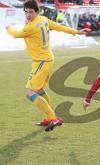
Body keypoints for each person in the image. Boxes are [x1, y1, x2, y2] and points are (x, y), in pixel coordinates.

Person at [6, 0, 91, 132]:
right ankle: (48, 117)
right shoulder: (43, 19)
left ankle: (53, 117)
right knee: (39, 90)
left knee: (29, 93)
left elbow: (16, 34)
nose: (28, 14)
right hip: (43, 60)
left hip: (42, 61)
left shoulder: (31, 27)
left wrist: (8, 28)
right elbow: (58, 26)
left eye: (31, 12)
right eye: (26, 12)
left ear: (36, 12)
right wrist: (76, 32)